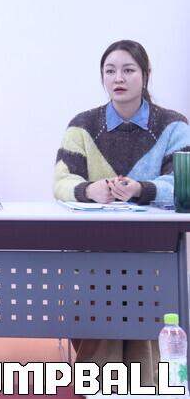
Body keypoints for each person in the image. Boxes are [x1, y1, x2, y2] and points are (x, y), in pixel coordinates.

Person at [54, 39, 190, 384]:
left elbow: (183, 183)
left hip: (154, 250)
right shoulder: (83, 125)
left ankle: (145, 380)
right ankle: (101, 381)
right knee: (100, 291)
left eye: (129, 70)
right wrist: (90, 190)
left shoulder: (173, 125)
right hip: (96, 250)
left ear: (146, 74)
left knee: (146, 294)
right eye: (110, 71)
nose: (119, 78)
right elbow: (62, 182)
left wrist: (141, 189)